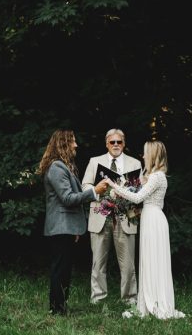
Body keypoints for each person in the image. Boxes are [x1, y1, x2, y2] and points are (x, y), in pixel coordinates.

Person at [105, 141, 185, 319]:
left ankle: (155, 303)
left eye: (145, 153)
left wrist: (114, 186)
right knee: (150, 260)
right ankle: (151, 301)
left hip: (154, 220)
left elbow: (138, 197)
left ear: (153, 155)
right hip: (150, 217)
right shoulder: (155, 176)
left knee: (153, 259)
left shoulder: (157, 177)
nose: (143, 156)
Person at [39, 129, 108, 315]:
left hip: (66, 227)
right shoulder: (56, 168)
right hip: (60, 227)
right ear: (63, 143)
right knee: (60, 270)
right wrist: (95, 191)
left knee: (64, 270)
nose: (76, 145)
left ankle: (60, 307)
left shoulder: (63, 166)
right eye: (73, 141)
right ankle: (57, 309)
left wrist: (75, 228)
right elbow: (68, 198)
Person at [81, 128, 142, 305]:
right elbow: (84, 185)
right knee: (98, 262)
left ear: (124, 143)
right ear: (106, 143)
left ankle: (130, 299)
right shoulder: (95, 161)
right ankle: (98, 298)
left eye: (119, 142)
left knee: (128, 264)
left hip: (125, 217)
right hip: (101, 216)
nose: (116, 145)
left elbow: (140, 191)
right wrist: (96, 190)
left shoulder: (135, 163)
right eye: (112, 142)